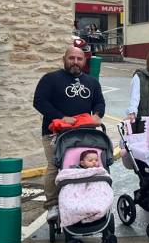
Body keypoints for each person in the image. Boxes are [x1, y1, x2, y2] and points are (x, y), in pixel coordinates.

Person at [33, 46, 105, 221]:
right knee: (54, 166)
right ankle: (52, 205)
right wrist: (61, 117)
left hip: (84, 133)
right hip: (54, 133)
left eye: (79, 59)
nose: (75, 62)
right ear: (64, 59)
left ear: (84, 61)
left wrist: (96, 115)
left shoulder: (92, 82)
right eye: (71, 58)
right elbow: (39, 102)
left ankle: (85, 200)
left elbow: (99, 103)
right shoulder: (50, 79)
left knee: (85, 166)